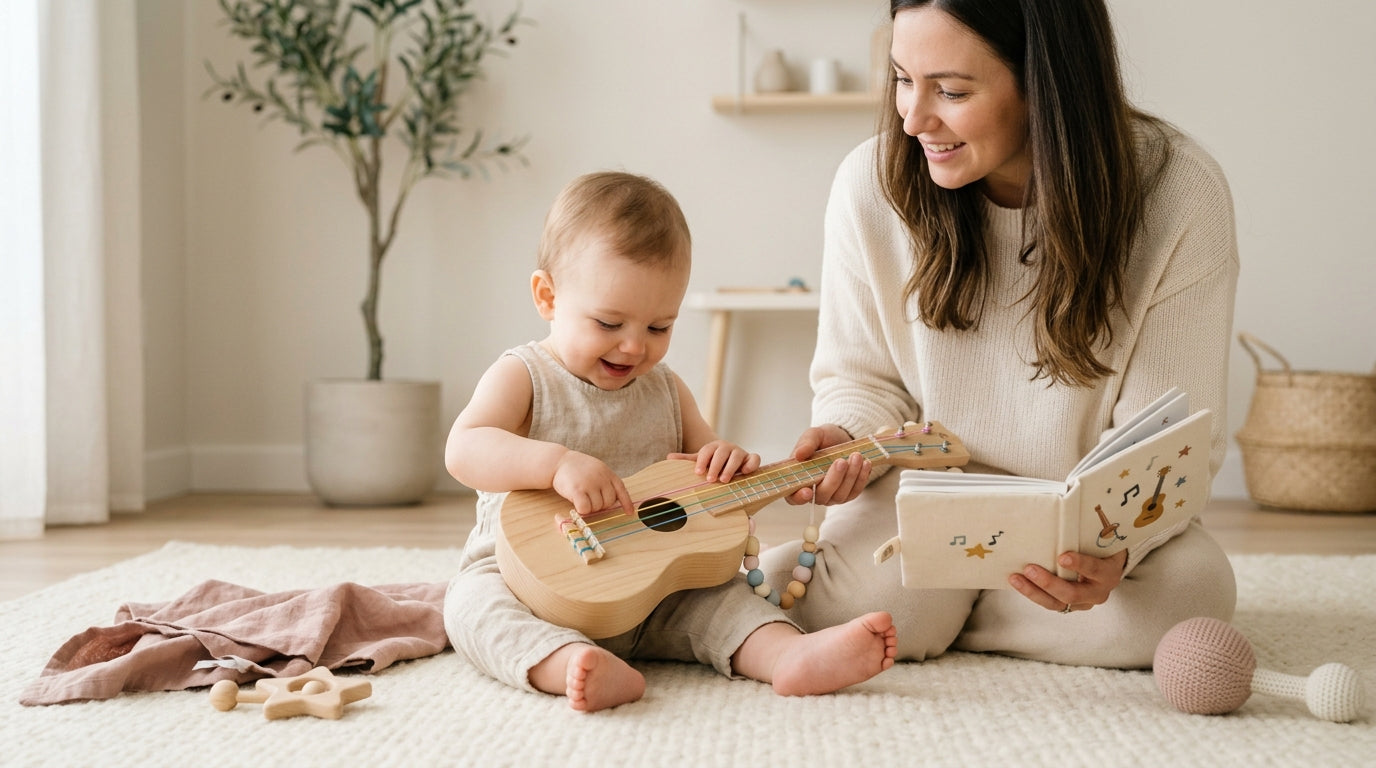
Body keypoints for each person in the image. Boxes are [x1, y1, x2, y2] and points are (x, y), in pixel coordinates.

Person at [760, 0, 1239, 668]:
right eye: (902, 78)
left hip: (1078, 517)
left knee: (1189, 595)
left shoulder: (1178, 192)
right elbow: (861, 377)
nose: (913, 118)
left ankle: (944, 610)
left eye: (951, 91)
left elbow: (1165, 436)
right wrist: (845, 437)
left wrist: (1117, 549)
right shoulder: (869, 186)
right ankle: (950, 606)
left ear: (1046, 84)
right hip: (925, 494)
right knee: (860, 598)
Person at [443, 171, 897, 712]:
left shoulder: (667, 391)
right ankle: (564, 660)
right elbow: (463, 449)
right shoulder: (524, 376)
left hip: (655, 595)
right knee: (470, 606)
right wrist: (555, 463)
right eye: (609, 322)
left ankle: (787, 657)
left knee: (724, 600)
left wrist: (733, 462)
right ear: (547, 296)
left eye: (659, 327)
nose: (634, 346)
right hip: (527, 584)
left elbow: (715, 496)